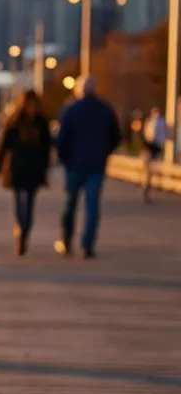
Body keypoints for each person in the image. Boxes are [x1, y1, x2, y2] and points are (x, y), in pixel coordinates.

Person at [54, 75, 122, 258]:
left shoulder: (71, 110)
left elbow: (62, 139)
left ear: (78, 90)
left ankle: (66, 240)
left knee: (70, 203)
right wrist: (104, 152)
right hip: (96, 165)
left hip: (74, 165)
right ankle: (87, 244)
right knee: (92, 206)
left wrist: (63, 158)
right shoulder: (105, 110)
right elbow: (116, 136)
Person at [0, 90, 53, 256]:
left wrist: (46, 167)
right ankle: (20, 227)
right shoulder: (15, 121)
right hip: (17, 168)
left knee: (30, 202)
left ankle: (24, 230)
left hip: (34, 168)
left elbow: (47, 148)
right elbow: (3, 145)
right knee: (19, 201)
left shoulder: (41, 123)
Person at [142, 106, 170, 203]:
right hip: (155, 147)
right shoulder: (159, 121)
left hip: (152, 147)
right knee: (151, 169)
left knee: (149, 170)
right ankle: (148, 189)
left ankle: (148, 189)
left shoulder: (152, 121)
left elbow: (149, 135)